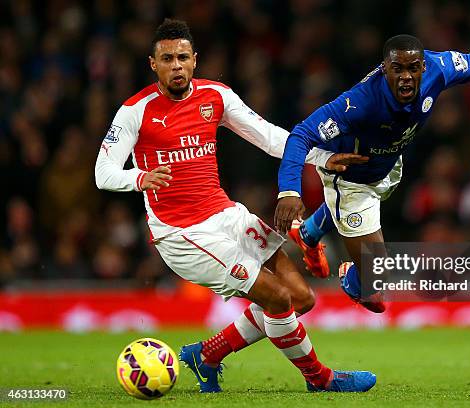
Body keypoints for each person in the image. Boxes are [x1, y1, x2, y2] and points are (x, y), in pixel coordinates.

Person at [95, 19, 375, 393]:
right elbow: (103, 172)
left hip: (226, 213)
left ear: (195, 60)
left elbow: (269, 137)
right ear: (153, 64)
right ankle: (320, 379)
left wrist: (322, 157)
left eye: (182, 57)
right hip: (182, 233)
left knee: (301, 297)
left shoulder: (216, 96)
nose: (176, 65)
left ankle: (206, 355)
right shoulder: (136, 111)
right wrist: (139, 178)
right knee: (277, 298)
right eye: (167, 59)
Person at [274, 34, 470, 313]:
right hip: (351, 178)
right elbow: (301, 134)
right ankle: (352, 276)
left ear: (424, 66)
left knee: (374, 201)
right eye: (398, 70)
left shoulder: (439, 67)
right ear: (385, 69)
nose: (407, 77)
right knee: (376, 294)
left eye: (414, 68)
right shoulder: (360, 103)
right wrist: (289, 190)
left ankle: (308, 233)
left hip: (386, 165)